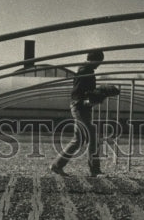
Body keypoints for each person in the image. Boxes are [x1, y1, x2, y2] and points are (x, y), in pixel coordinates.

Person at [50, 49, 119, 177]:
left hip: (82, 107)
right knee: (92, 137)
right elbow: (77, 93)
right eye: (99, 62)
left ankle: (56, 165)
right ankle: (95, 171)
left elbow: (87, 92)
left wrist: (97, 95)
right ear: (93, 60)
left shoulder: (87, 70)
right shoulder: (85, 71)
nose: (99, 65)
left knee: (78, 139)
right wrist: (92, 97)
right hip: (80, 107)